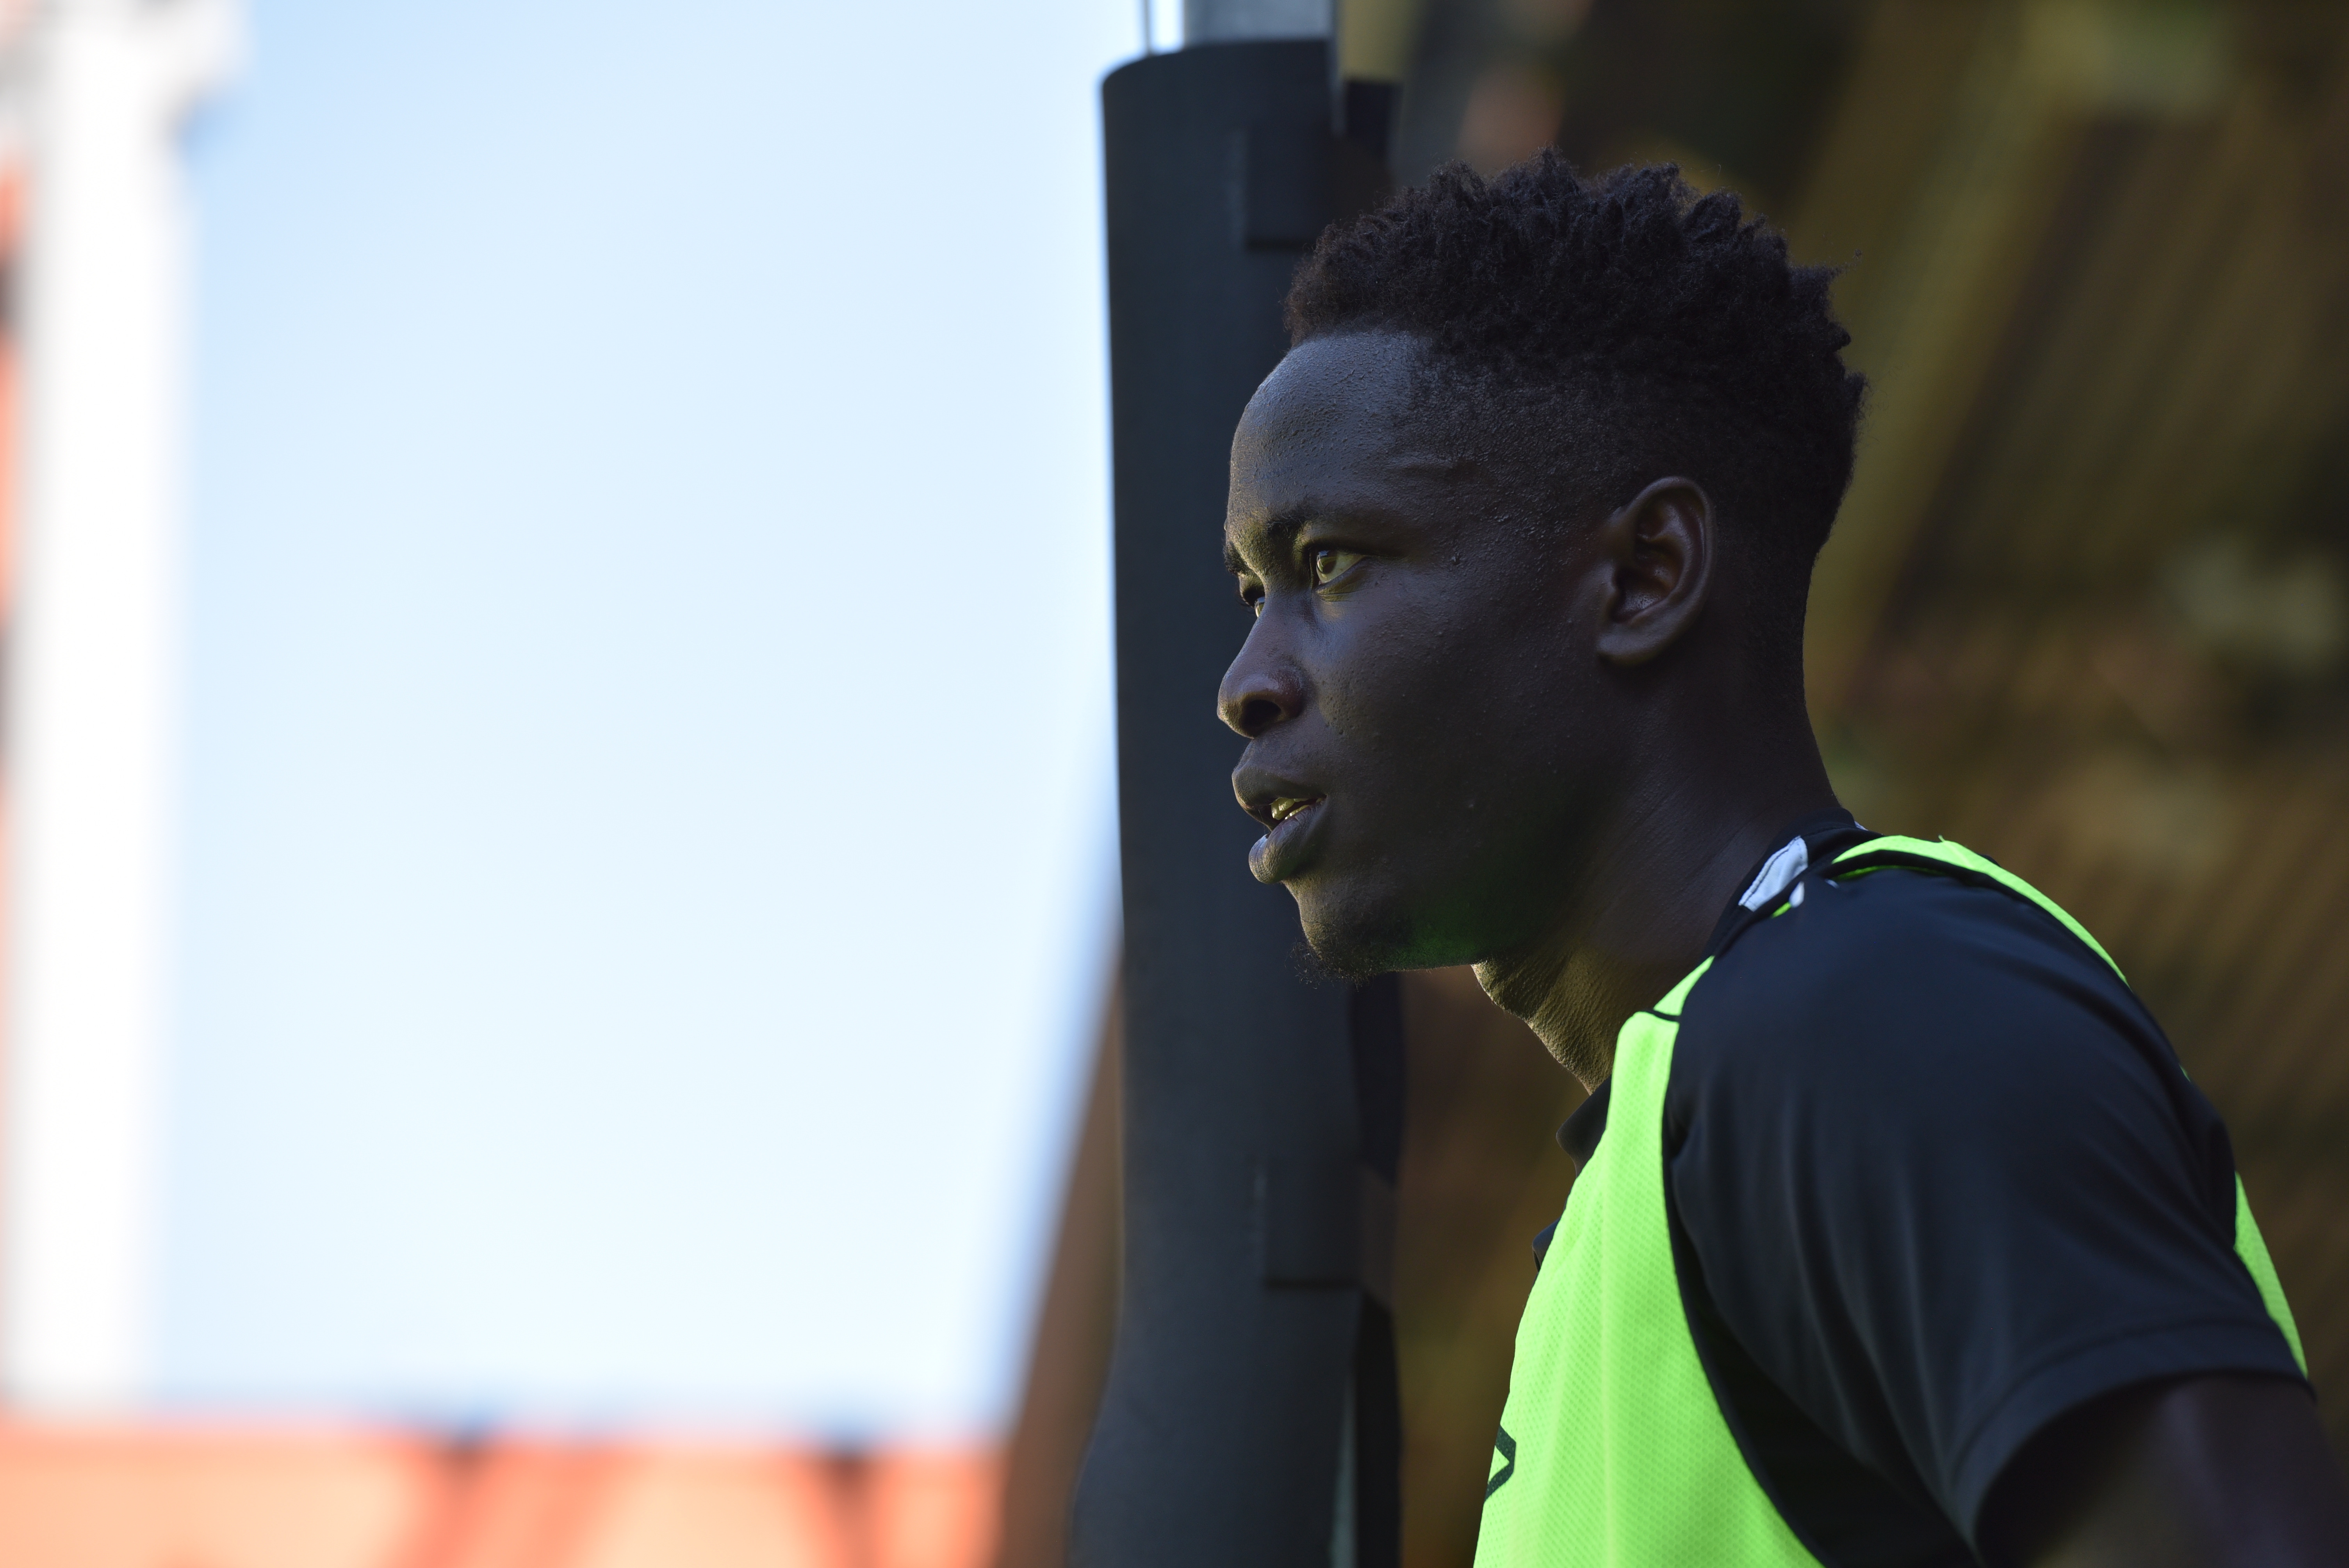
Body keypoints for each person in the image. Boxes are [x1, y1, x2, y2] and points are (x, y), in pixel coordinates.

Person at [1214, 154, 2349, 1567]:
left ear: (1645, 576)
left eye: (1327, 566)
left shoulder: (1869, 1014)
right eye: (1251, 593)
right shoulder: (1668, 1156)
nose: (1246, 682)